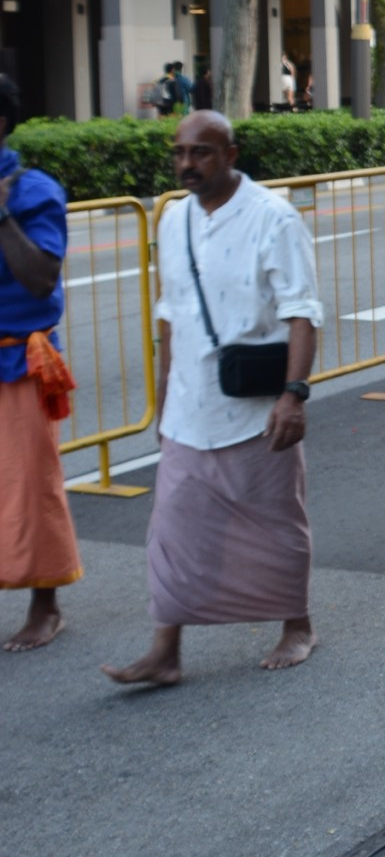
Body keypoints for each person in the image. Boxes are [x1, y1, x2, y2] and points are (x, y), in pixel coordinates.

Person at [102, 112, 323, 686]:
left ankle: (297, 624)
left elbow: (303, 313)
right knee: (171, 530)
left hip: (256, 408)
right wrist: (163, 402)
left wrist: (294, 395)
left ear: (231, 153)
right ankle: (165, 651)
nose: (186, 164)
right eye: (179, 153)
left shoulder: (273, 218)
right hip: (188, 407)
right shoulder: (172, 220)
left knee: (275, 523)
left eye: (200, 152)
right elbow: (170, 316)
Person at [0, 75, 81, 650]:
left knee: (32, 486)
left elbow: (42, 278)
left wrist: (1, 219)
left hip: (17, 361)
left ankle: (46, 606)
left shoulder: (35, 192)